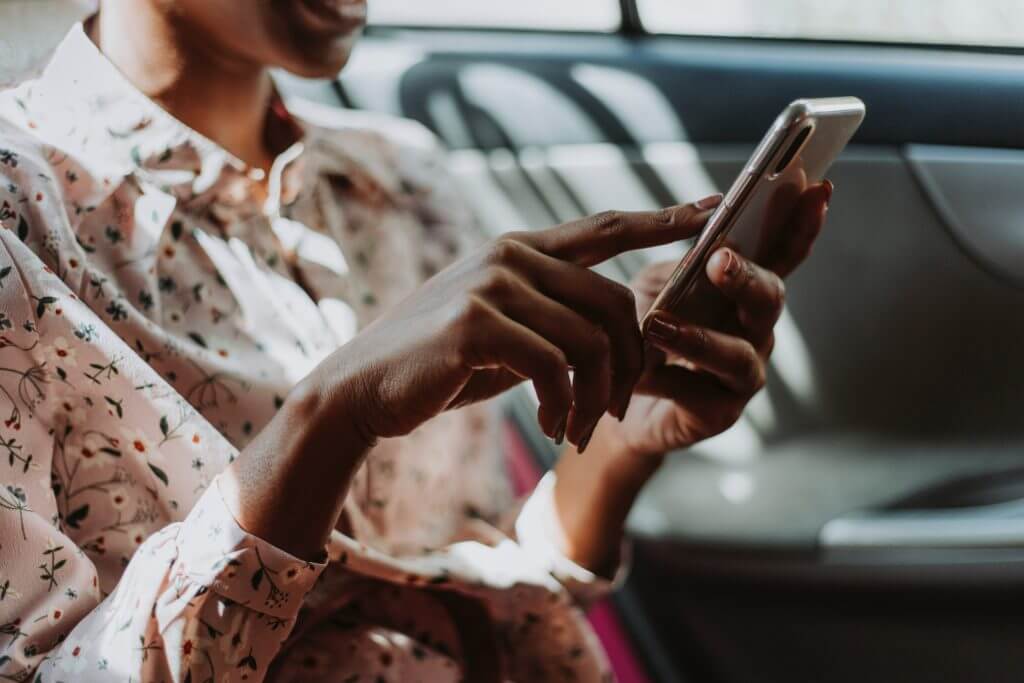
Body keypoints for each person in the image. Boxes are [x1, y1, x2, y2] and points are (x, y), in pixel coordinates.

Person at [0, 1, 831, 680]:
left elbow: (485, 579)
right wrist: (331, 417)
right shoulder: (21, 224)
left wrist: (616, 445)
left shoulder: (407, 182)